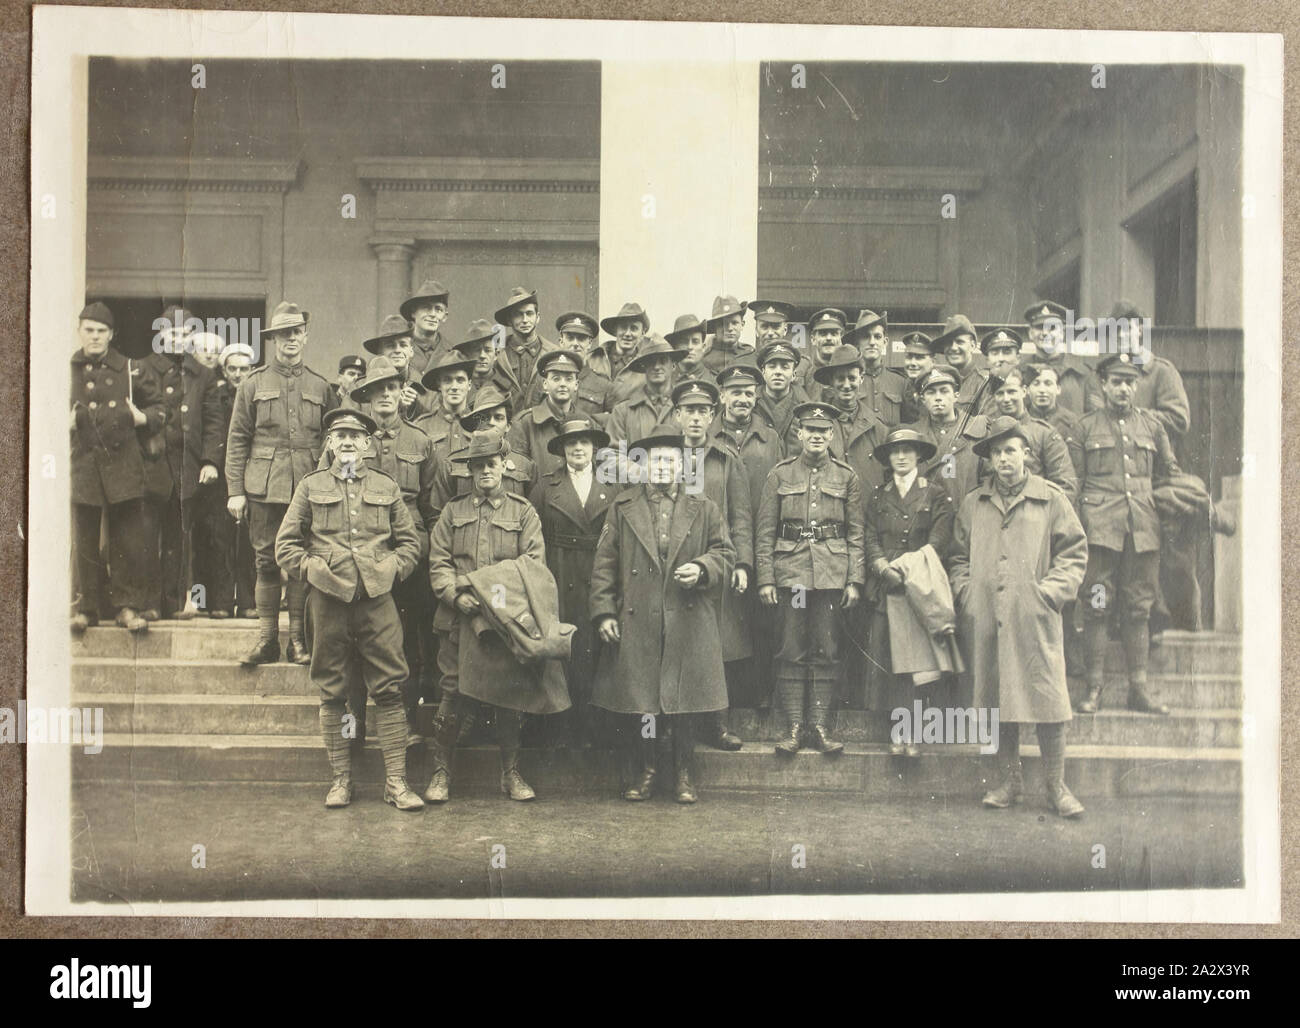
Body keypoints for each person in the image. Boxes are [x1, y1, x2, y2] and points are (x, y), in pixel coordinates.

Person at [274, 406, 424, 811]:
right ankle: (341, 779)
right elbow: (285, 545)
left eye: (355, 436)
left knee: (390, 689)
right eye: (339, 435)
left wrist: (390, 569)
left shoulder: (386, 486)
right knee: (333, 691)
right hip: (328, 603)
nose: (347, 442)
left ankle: (396, 782)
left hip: (378, 603)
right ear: (329, 443)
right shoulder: (310, 486)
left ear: (368, 444)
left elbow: (410, 544)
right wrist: (314, 570)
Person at [949, 419, 1088, 818]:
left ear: (1025, 452)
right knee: (997, 697)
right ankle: (1010, 782)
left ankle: (1056, 787)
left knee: (1048, 697)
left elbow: (1073, 552)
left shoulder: (1051, 498)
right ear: (989, 460)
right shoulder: (974, 503)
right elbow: (957, 556)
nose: (1004, 459)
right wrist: (968, 594)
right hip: (989, 614)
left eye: (1011, 450)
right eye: (996, 453)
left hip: (1034, 614)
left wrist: (1050, 594)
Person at [589, 428, 735, 803]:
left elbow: (725, 553)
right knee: (645, 703)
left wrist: (703, 569)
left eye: (671, 460)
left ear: (684, 465)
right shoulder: (623, 507)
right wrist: (605, 612)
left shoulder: (704, 507)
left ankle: (685, 774)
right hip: (640, 618)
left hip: (687, 616)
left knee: (683, 701)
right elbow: (605, 564)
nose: (663, 467)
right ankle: (648, 769)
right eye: (655, 460)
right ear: (642, 465)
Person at [426, 430, 564, 803]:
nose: (485, 471)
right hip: (458, 620)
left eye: (491, 464)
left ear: (505, 465)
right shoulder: (453, 512)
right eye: (477, 465)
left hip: (504, 621)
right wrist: (456, 595)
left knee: (509, 696)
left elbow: (532, 565)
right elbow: (438, 562)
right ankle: (442, 772)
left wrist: (492, 601)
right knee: (452, 695)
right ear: (469, 470)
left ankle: (510, 773)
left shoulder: (523, 512)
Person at [225, 301, 338, 665]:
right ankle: (267, 640)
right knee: (265, 561)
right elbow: (238, 438)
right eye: (282, 334)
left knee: (301, 563)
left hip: (306, 486)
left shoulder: (321, 387)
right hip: (263, 487)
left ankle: (298, 643)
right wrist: (235, 491)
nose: (290, 339)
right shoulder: (253, 384)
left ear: (305, 335)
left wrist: (327, 485)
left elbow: (330, 439)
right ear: (273, 339)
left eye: (296, 332)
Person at [754, 402, 865, 755]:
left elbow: (857, 534)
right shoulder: (780, 475)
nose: (816, 437)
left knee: (826, 648)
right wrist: (766, 579)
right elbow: (765, 531)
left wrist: (854, 580)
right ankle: (793, 728)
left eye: (823, 431)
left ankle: (818, 726)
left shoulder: (847, 476)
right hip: (792, 575)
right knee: (791, 648)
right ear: (799, 434)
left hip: (831, 575)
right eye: (810, 431)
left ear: (831, 435)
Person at [1075, 353, 1182, 716]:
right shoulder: (1085, 427)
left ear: (1137, 386)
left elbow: (1170, 478)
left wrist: (1167, 521)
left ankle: (1139, 689)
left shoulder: (1153, 427)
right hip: (1100, 532)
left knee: (1139, 608)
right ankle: (1094, 689)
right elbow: (1074, 485)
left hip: (1143, 530)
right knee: (1097, 606)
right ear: (1103, 385)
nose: (1123, 388)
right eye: (1116, 382)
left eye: (1130, 382)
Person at [342, 356, 440, 740]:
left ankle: (406, 725)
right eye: (376, 390)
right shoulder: (350, 438)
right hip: (362, 550)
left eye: (391, 388)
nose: (385, 396)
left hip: (408, 551)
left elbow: (433, 506)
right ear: (366, 397)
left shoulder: (420, 440)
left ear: (402, 394)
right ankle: (355, 725)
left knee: (410, 638)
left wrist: (424, 550)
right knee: (355, 639)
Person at [70, 302, 165, 633]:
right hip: (83, 465)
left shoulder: (130, 368)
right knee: (84, 539)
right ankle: (88, 608)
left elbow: (159, 407)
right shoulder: (67, 368)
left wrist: (143, 418)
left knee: (127, 538)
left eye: (101, 331)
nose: (94, 337)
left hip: (123, 464)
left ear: (111, 335)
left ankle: (127, 607)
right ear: (79, 330)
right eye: (89, 330)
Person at [673, 379, 754, 750]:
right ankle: (678, 725)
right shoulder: (664, 457)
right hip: (673, 559)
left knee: (715, 645)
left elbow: (742, 515)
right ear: (677, 415)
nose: (695, 418)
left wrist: (742, 564)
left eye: (702, 411)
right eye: (688, 410)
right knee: (676, 642)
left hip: (717, 562)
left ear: (712, 416)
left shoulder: (725, 459)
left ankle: (717, 723)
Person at [862, 428, 955, 742]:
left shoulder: (935, 493)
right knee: (891, 662)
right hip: (886, 585)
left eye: (908, 450)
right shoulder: (878, 495)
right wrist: (880, 566)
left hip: (918, 586)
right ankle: (896, 734)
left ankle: (915, 733)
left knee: (919, 664)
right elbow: (870, 537)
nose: (901, 456)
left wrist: (907, 569)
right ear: (888, 458)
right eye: (895, 451)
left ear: (919, 455)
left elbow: (939, 540)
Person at [532, 417, 615, 749]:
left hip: (598, 571)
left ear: (594, 447)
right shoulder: (545, 486)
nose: (578, 448)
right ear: (563, 449)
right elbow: (533, 536)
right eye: (571, 443)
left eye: (584, 442)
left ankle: (594, 728)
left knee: (595, 648)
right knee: (563, 647)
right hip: (560, 570)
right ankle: (561, 727)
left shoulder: (613, 486)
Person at [140, 304, 226, 620]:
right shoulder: (143, 368)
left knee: (179, 537)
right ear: (161, 334)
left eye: (186, 333)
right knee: (148, 537)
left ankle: (173, 602)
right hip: (151, 466)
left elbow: (214, 421)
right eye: (173, 333)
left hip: (186, 468)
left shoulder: (204, 375)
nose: (179, 339)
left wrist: (210, 461)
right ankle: (147, 603)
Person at [983, 369, 1079, 501]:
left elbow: (1066, 485)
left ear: (1024, 391)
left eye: (1011, 392)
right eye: (1000, 393)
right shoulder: (986, 433)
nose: (1006, 399)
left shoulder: (1045, 433)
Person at [812, 344, 890, 495]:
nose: (847, 385)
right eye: (840, 378)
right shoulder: (816, 425)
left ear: (861, 379)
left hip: (866, 511)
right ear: (831, 381)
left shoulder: (878, 428)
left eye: (852, 378)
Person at [215, 342, 257, 617]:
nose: (238, 374)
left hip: (252, 476)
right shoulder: (215, 397)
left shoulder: (256, 397)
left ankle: (247, 602)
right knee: (220, 539)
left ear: (251, 370)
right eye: (233, 368)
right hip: (220, 479)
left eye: (244, 369)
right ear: (224, 370)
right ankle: (219, 602)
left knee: (249, 542)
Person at [912, 364, 988, 509]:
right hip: (927, 521)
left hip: (967, 516)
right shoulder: (914, 436)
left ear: (956, 396)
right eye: (931, 392)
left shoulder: (977, 430)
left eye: (944, 391)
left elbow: (988, 480)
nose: (938, 398)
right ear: (922, 399)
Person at [507, 349, 585, 475]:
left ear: (576, 385)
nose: (562, 384)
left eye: (569, 379)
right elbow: (516, 477)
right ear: (544, 384)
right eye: (556, 379)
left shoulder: (586, 423)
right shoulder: (525, 423)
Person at [605, 335, 685, 449]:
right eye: (651, 361)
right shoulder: (623, 412)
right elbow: (613, 455)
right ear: (644, 367)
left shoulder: (686, 408)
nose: (657, 367)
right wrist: (636, 467)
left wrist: (673, 466)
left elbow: (696, 451)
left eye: (663, 361)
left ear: (673, 366)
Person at [1024, 301, 1091, 415]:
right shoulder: (1020, 372)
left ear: (1062, 333)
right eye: (1040, 327)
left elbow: (1094, 418)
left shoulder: (1082, 373)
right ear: (1030, 333)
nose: (1045, 333)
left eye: (1052, 328)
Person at [586, 301, 652, 415]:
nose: (627, 333)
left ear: (642, 333)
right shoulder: (592, 359)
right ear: (615, 330)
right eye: (623, 327)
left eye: (634, 328)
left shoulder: (646, 368)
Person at [362, 315, 432, 420]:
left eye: (403, 345)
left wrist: (413, 408)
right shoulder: (360, 386)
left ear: (411, 351)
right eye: (390, 346)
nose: (397, 350)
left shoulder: (427, 389)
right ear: (380, 352)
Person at [413, 349, 478, 461]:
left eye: (460, 380)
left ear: (469, 385)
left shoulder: (479, 424)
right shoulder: (421, 426)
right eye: (447, 380)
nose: (454, 387)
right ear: (439, 385)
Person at [494, 286, 553, 408]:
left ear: (538, 318)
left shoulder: (553, 353)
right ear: (509, 320)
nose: (525, 320)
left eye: (529, 314)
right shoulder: (497, 353)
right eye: (518, 315)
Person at [842, 309, 903, 426]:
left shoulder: (900, 382)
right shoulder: (848, 382)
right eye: (866, 337)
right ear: (857, 343)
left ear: (885, 342)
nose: (872, 342)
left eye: (877, 336)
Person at [754, 339, 812, 456]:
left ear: (794, 375)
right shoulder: (751, 403)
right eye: (772, 366)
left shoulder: (805, 408)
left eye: (784, 367)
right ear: (763, 372)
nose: (778, 372)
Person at [931, 314, 993, 416]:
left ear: (972, 346)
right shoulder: (936, 381)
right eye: (948, 343)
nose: (953, 348)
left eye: (959, 342)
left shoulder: (985, 383)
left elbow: (987, 425)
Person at [400, 279, 452, 378]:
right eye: (426, 308)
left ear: (444, 316)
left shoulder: (452, 352)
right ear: (413, 312)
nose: (432, 314)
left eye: (438, 309)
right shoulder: (399, 348)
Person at [796, 308, 849, 395]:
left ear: (841, 338)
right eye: (823, 334)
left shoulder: (849, 372)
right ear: (813, 339)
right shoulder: (805, 372)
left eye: (834, 333)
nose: (828, 338)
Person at [700, 295, 752, 374]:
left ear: (742, 325)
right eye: (723, 324)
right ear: (715, 328)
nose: (730, 328)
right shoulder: (704, 360)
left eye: (734, 323)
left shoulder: (750, 354)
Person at [897, 331, 936, 425]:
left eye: (919, 358)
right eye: (909, 357)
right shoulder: (900, 387)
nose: (912, 363)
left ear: (933, 362)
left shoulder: (940, 388)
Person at [664, 314, 713, 385]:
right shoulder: (665, 380)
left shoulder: (712, 381)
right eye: (684, 342)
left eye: (695, 341)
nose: (690, 347)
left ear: (703, 347)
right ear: (675, 347)